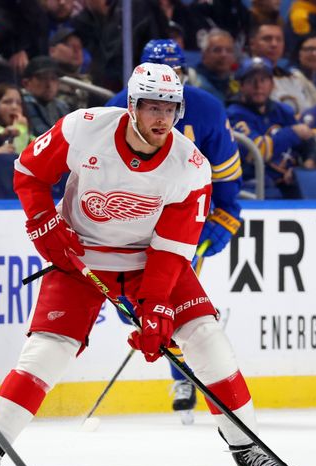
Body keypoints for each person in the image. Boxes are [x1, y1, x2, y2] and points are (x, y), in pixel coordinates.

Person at [0, 62, 295, 466]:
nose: (161, 118)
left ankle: (249, 446)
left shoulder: (190, 167)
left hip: (146, 261)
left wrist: (155, 309)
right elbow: (28, 171)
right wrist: (43, 221)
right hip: (79, 257)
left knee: (206, 335)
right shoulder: (85, 128)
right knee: (48, 351)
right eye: (152, 106)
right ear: (132, 106)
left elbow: (171, 252)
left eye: (170, 108)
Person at [105, 39, 244, 420]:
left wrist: (227, 215)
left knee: (170, 303)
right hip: (127, 224)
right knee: (131, 310)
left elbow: (227, 173)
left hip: (183, 222)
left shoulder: (207, 108)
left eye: (175, 72)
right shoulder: (113, 109)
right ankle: (189, 354)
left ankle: (187, 374)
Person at [227, 57, 316, 198]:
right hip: (253, 187)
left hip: (289, 185)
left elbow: (309, 142)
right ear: (241, 85)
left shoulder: (283, 111)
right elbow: (257, 150)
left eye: (263, 80)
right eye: (252, 81)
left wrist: (304, 167)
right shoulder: (234, 115)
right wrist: (293, 133)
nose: (258, 86)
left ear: (272, 84)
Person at [0, 83, 32, 155]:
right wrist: (21, 129)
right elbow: (17, 155)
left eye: (19, 103)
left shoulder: (29, 134)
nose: (14, 107)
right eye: (7, 102)